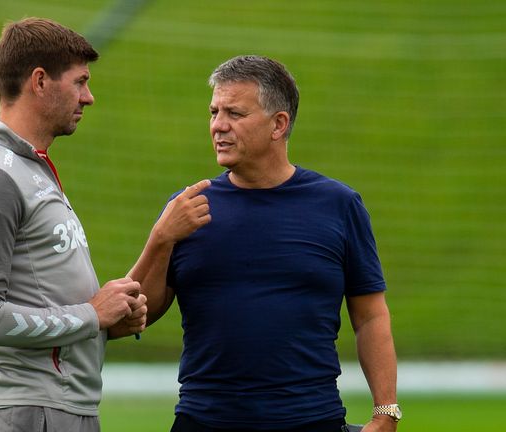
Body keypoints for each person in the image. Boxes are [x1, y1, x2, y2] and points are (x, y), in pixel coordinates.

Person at [129, 55, 400, 432]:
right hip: (204, 421)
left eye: (235, 114)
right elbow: (136, 314)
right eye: (214, 112)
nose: (218, 126)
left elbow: (370, 315)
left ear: (279, 124)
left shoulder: (338, 205)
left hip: (311, 420)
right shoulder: (187, 208)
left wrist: (386, 412)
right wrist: (160, 239)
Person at [0, 17, 165, 432]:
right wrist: (92, 315)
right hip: (27, 410)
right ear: (39, 81)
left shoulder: (31, 168)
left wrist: (104, 322)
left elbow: (42, 297)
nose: (89, 97)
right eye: (79, 82)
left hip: (58, 408)